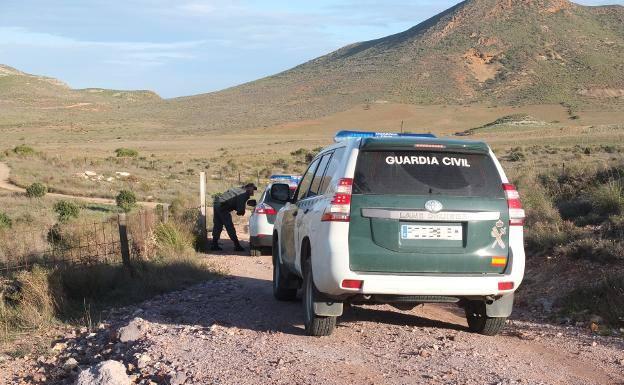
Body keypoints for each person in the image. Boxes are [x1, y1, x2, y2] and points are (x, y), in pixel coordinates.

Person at [211, 183, 257, 251]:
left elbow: (235, 202)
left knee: (218, 224)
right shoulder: (244, 193)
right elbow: (240, 209)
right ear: (248, 188)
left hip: (217, 203)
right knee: (229, 226)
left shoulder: (239, 189)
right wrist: (241, 211)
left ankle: (214, 244)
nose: (253, 191)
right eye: (253, 189)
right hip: (223, 206)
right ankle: (237, 245)